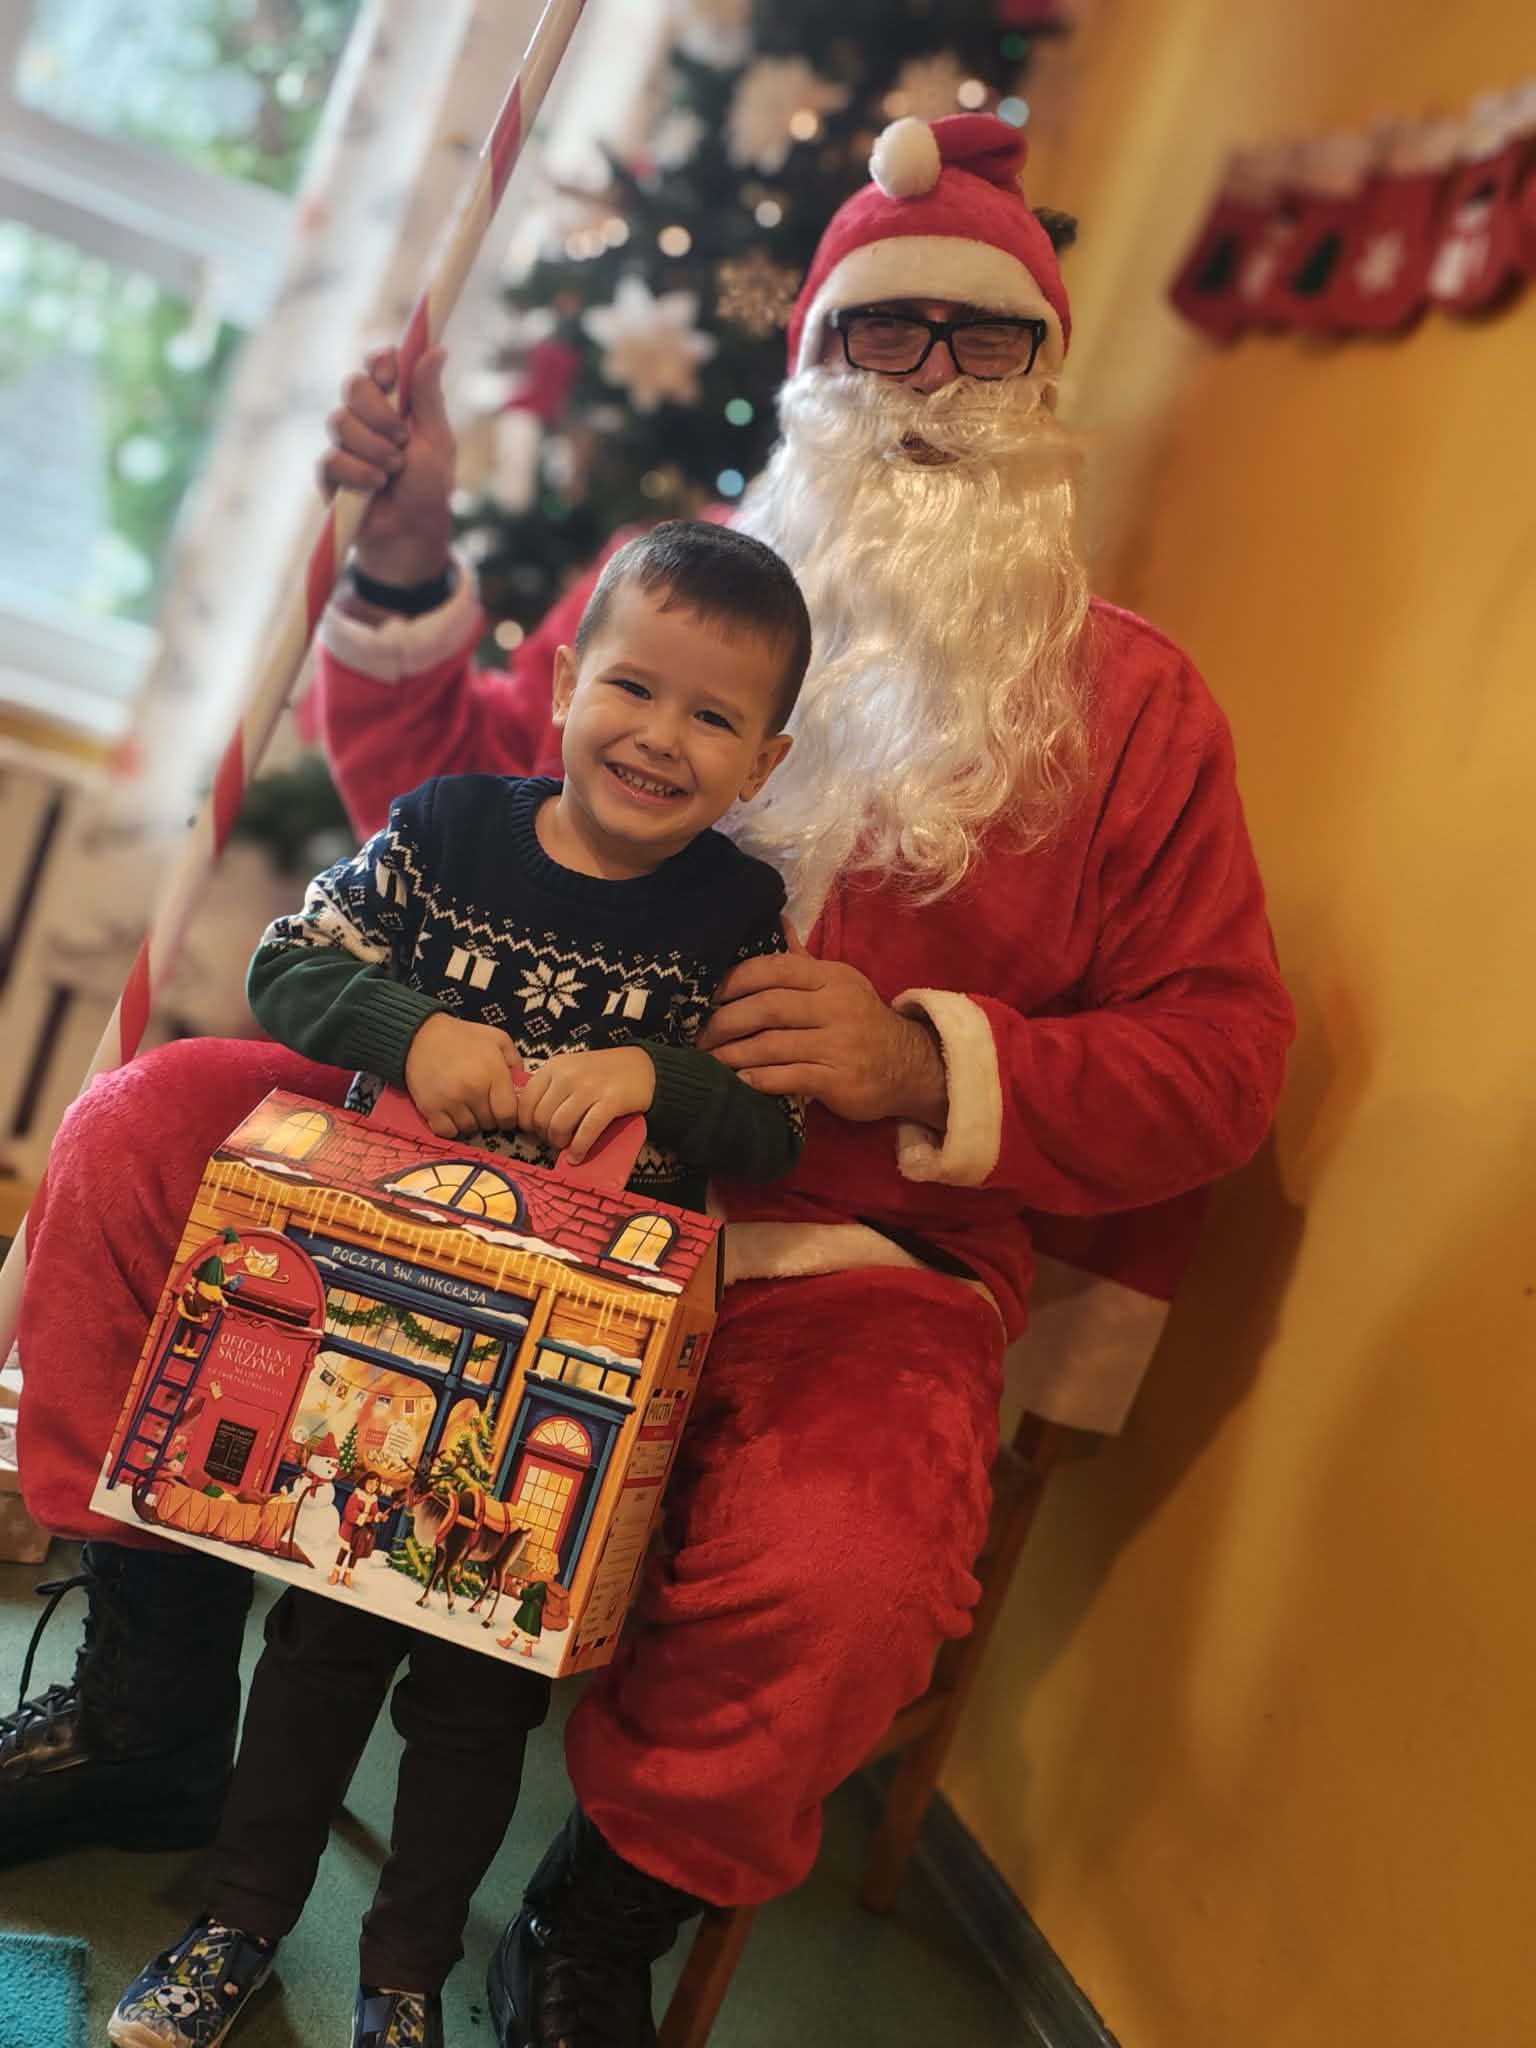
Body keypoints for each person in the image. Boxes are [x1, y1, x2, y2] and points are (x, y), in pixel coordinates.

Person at [6, 114, 1295, 2048]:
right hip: (485, 1147)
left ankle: (598, 1917)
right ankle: (150, 1715)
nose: (927, 384)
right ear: (813, 362)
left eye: (982, 339)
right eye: (881, 333)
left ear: (1047, 375)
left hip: (836, 1257)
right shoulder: (681, 598)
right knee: (134, 1135)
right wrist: (410, 548)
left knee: (854, 1559)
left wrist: (923, 1056)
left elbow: (1222, 1060)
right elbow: (455, 801)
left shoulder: (1142, 713)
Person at [104, 518, 809, 2048]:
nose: (661, 736)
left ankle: (405, 1977)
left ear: (765, 760)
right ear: (561, 684)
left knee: (481, 1702)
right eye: (634, 687)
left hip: (568, 1388)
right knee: (315, 1647)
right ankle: (236, 1922)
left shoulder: (740, 920)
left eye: (713, 716)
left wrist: (660, 1077)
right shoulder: (445, 833)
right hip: (371, 1334)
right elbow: (286, 964)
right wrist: (411, 1032)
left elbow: (774, 1126)